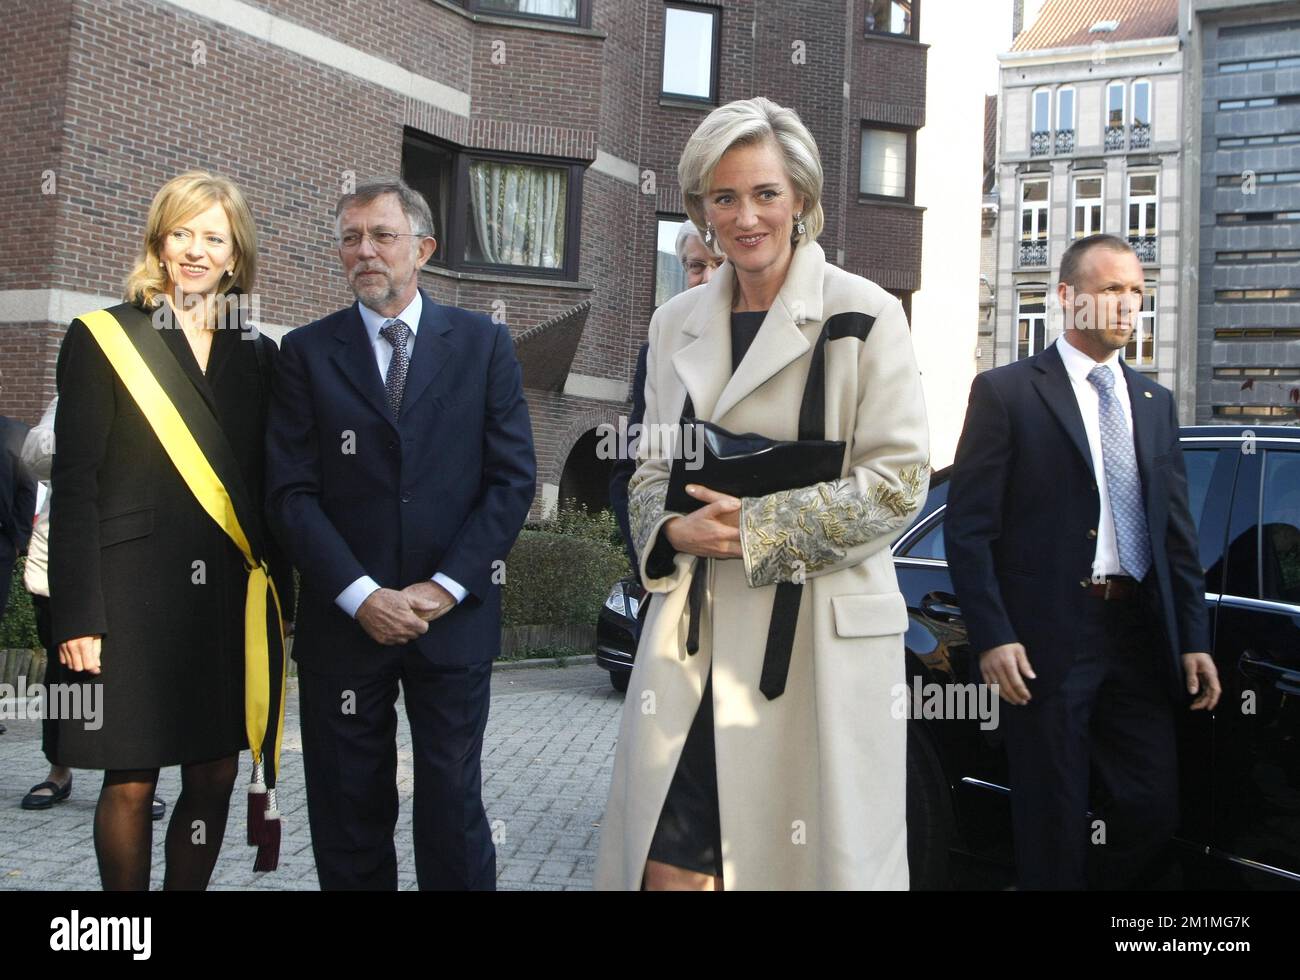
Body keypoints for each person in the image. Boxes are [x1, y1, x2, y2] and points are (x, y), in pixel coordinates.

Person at [594, 98, 930, 890]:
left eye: (765, 194)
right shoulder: (673, 321)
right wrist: (672, 532)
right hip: (692, 641)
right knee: (666, 867)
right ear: (701, 209)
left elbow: (900, 484)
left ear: (802, 199)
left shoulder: (865, 313)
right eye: (724, 197)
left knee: (794, 866)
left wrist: (755, 527)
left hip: (815, 643)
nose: (745, 216)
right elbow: (648, 470)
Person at [265, 178, 535, 891]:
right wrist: (362, 595)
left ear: (423, 248)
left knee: (450, 803)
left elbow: (511, 482)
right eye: (350, 237)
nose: (364, 251)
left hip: (452, 621)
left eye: (381, 236)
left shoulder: (483, 345)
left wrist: (443, 588)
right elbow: (290, 493)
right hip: (345, 625)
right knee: (349, 805)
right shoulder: (305, 353)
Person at [944, 232, 1221, 890]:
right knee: (1053, 817)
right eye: (1110, 290)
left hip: (1137, 637)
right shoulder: (1008, 393)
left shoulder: (1155, 403)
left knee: (1152, 808)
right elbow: (968, 527)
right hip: (1047, 638)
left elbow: (1175, 537)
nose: (1128, 305)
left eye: (1135, 291)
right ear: (1067, 298)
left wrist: (1193, 639)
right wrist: (994, 634)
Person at [48, 171, 292, 890]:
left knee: (214, 773)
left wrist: (285, 610)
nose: (194, 250)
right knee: (129, 779)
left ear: (234, 256)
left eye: (212, 237)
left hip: (223, 603)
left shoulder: (259, 355)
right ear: (158, 242)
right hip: (127, 601)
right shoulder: (104, 336)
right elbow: (75, 484)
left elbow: (270, 488)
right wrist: (78, 614)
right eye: (181, 232)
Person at [609, 220, 722, 569]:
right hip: (678, 571)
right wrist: (654, 556)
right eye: (696, 266)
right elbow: (631, 465)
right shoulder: (658, 349)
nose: (708, 279)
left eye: (720, 263)